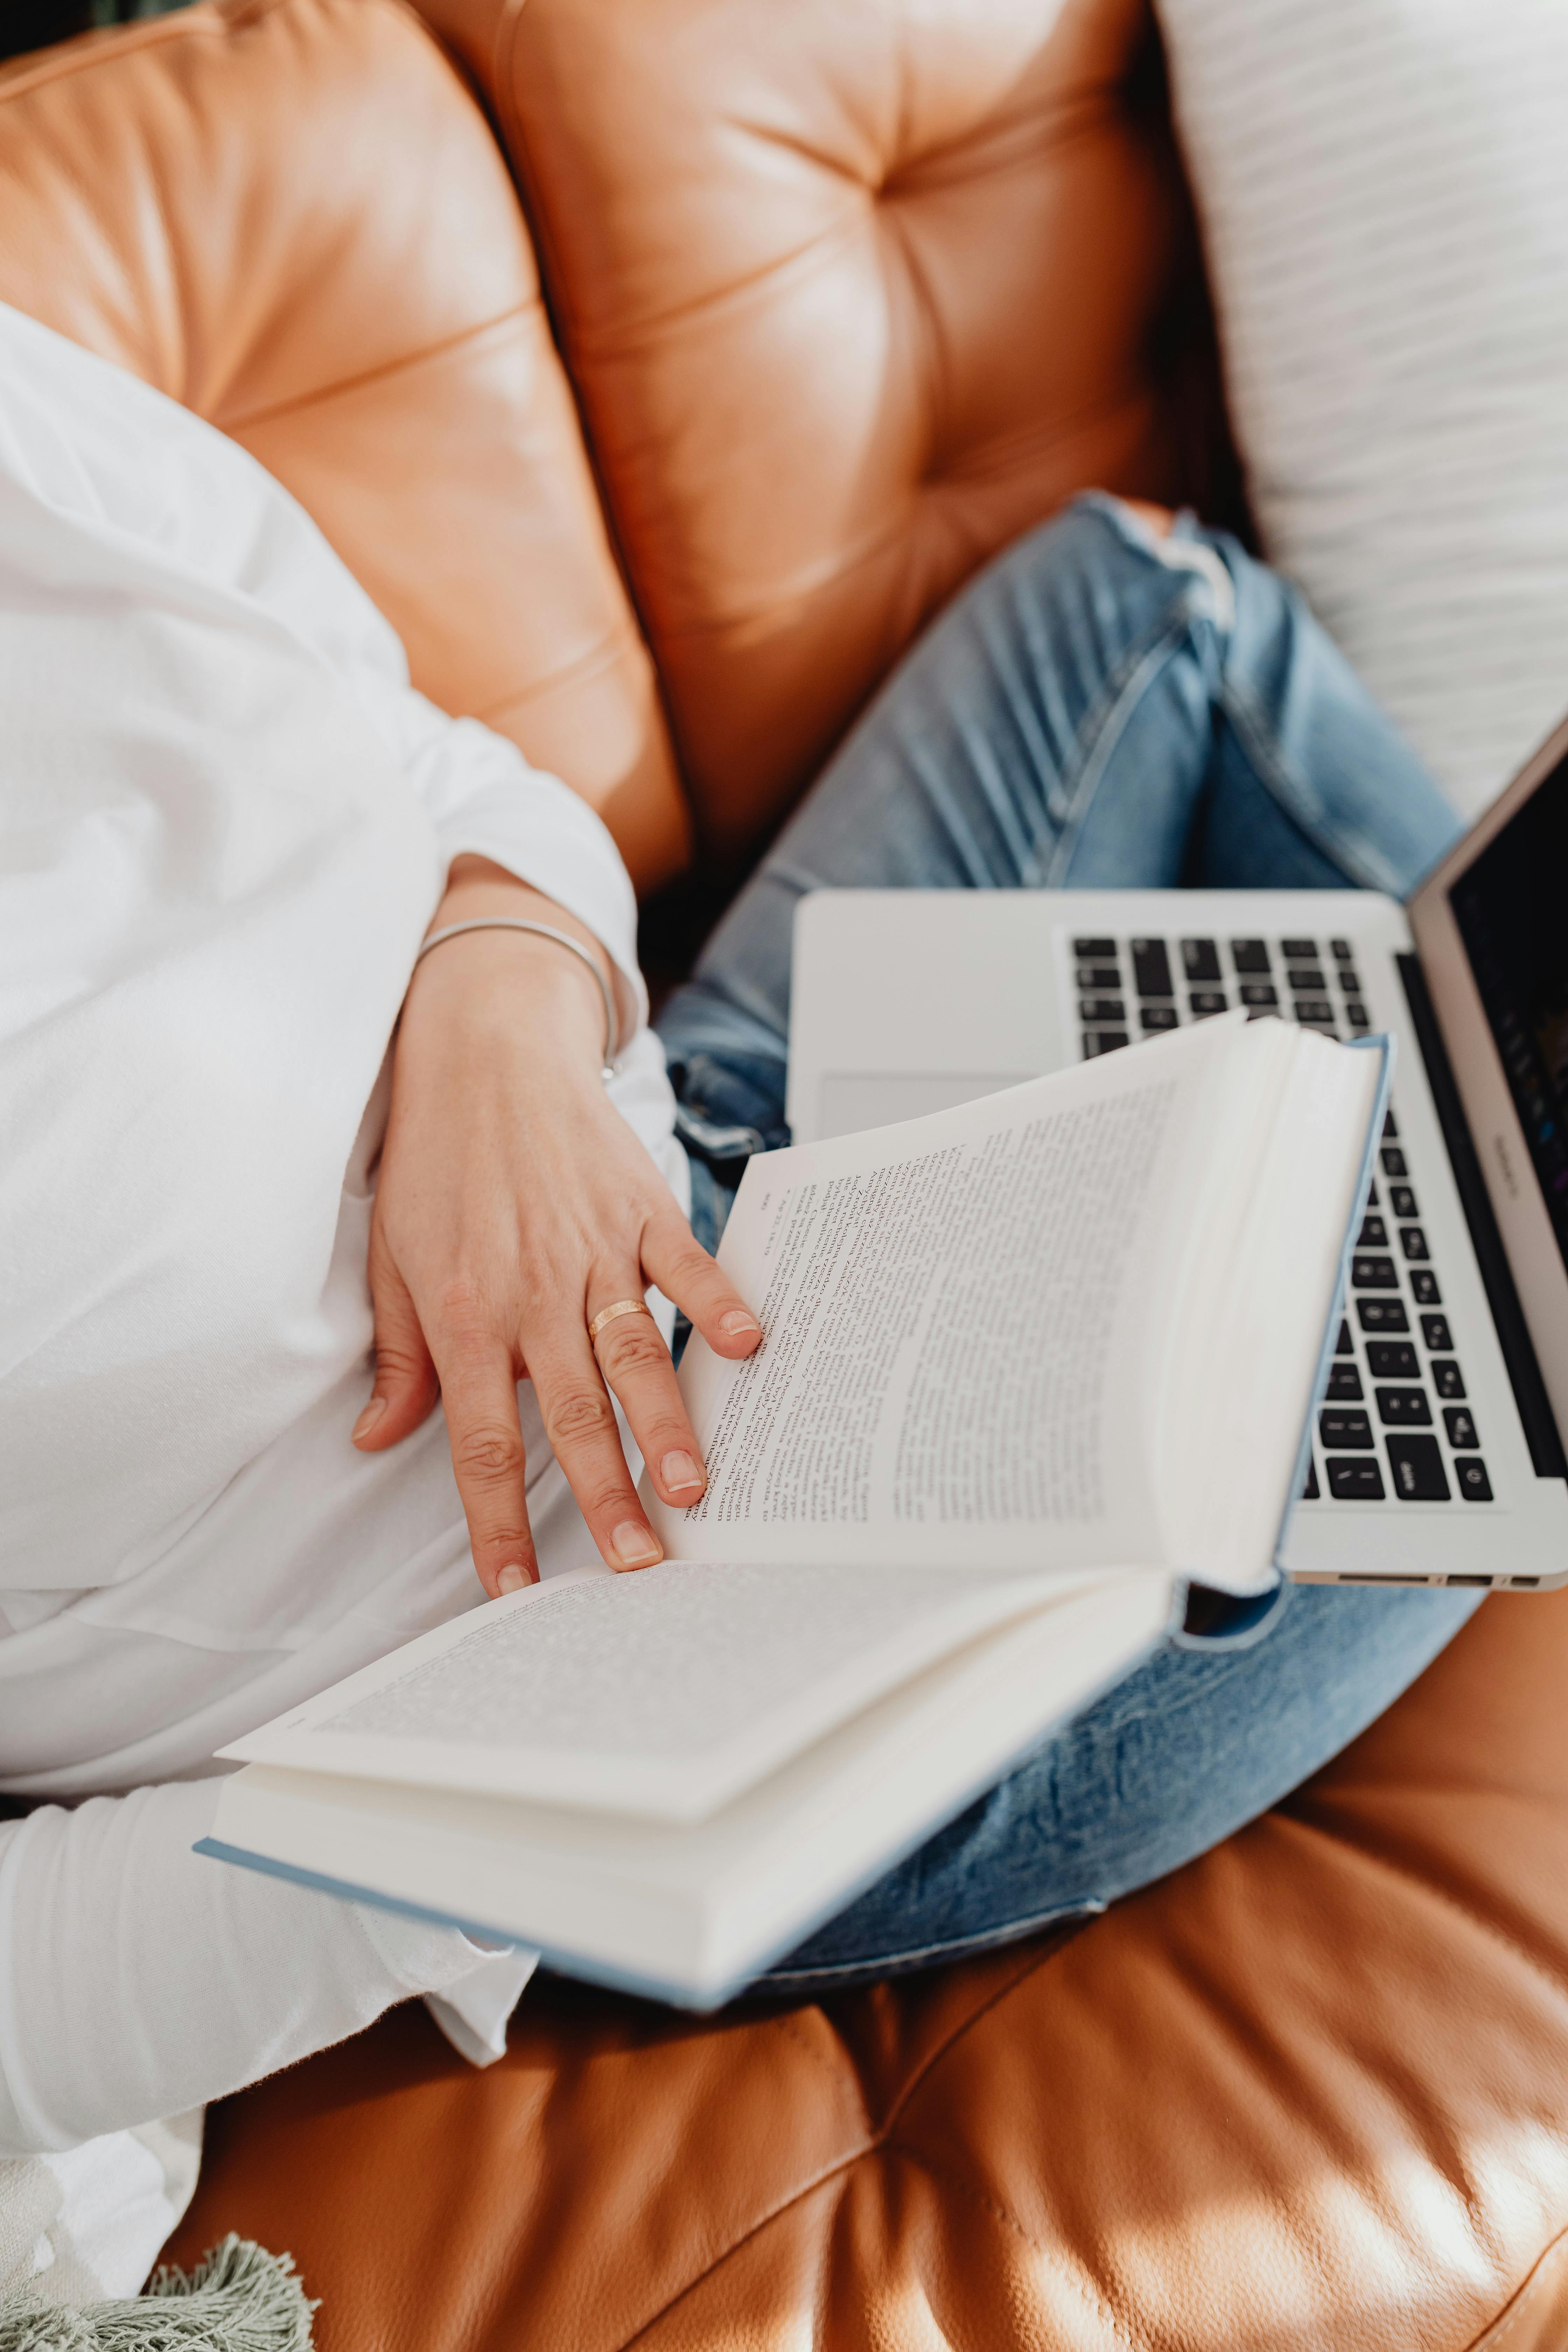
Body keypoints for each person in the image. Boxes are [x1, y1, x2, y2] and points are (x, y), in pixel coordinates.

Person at [0, 299, 1477, 2163]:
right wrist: (528, 1801)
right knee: (1503, 1314)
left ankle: (1438, 1078)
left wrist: (504, 990)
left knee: (1149, 596)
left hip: (713, 1138)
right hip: (724, 1675)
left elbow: (439, 767)